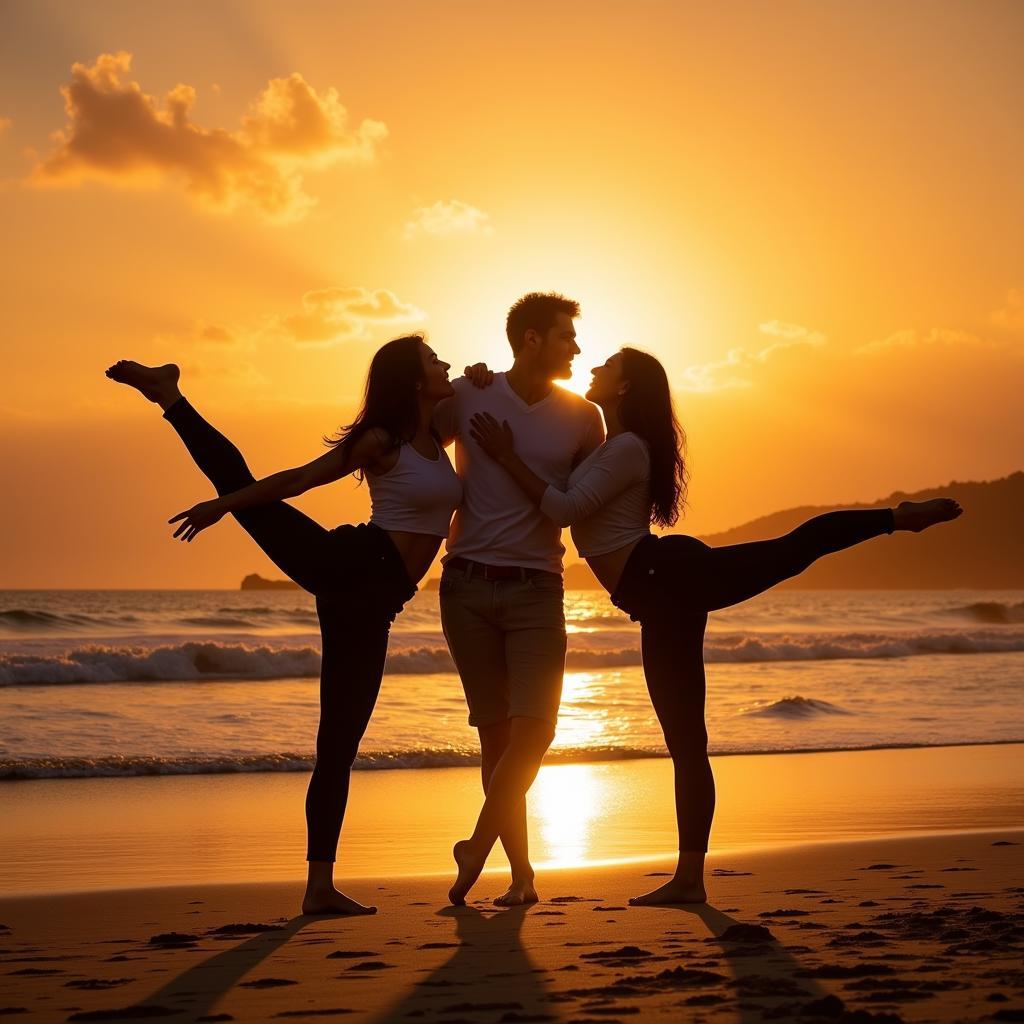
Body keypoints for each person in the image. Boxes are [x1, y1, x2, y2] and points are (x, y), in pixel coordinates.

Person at [469, 345, 963, 906]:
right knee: (689, 739)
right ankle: (690, 879)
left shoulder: (627, 448)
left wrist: (507, 456)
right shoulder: (609, 444)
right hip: (660, 588)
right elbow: (552, 449)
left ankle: (898, 518)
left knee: (789, 555)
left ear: (627, 388)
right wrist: (486, 382)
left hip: (666, 580)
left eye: (607, 366)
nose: (594, 368)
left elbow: (560, 509)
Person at [105, 336, 465, 916]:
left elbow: (485, 386)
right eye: (432, 360)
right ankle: (171, 399)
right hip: (351, 569)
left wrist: (485, 377)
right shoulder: (382, 441)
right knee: (338, 742)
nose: (444, 363)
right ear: (411, 379)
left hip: (377, 599)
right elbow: (299, 480)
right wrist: (224, 507)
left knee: (340, 743)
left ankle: (319, 888)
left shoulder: (436, 436)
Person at [433, 292, 605, 906]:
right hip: (467, 587)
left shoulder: (585, 417)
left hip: (538, 588)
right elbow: (415, 440)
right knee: (498, 739)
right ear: (530, 339)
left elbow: (582, 508)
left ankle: (476, 847)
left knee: (536, 732)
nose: (576, 348)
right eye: (566, 337)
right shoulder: (471, 394)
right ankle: (522, 879)